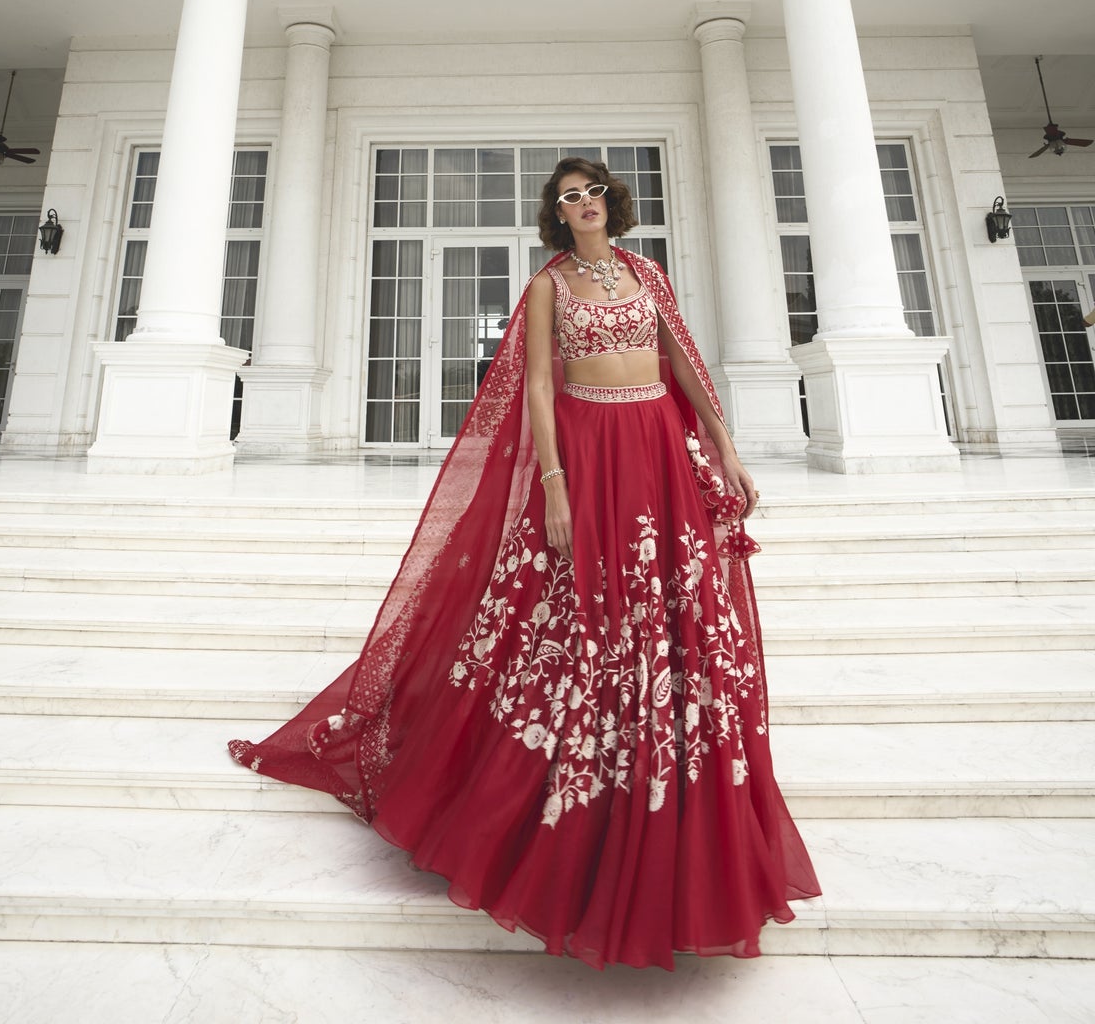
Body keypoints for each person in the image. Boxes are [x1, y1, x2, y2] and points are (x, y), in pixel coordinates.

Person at [229, 156, 822, 970]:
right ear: (558, 213)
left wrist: (726, 451)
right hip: (588, 451)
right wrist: (553, 482)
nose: (580, 204)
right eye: (565, 197)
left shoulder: (646, 274)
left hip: (657, 452)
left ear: (613, 203)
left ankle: (678, 816)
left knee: (670, 625)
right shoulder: (549, 285)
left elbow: (684, 364)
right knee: (579, 623)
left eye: (590, 193)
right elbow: (540, 389)